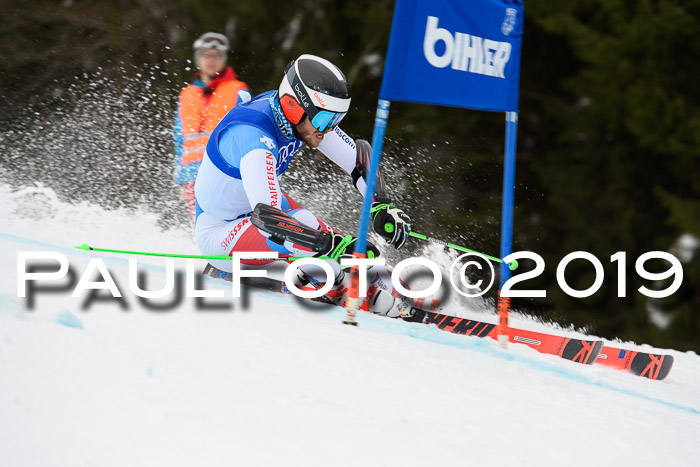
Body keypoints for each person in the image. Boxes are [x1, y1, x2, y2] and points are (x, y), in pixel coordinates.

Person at [195, 54, 413, 317]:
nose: (327, 130)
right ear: (293, 106)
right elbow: (269, 219)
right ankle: (336, 286)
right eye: (324, 120)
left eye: (336, 120)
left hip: (253, 208)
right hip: (220, 230)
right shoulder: (254, 134)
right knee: (317, 243)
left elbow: (359, 156)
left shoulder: (300, 120)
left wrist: (380, 204)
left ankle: (375, 283)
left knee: (347, 251)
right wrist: (332, 245)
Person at [173, 32, 252, 221]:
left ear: (224, 59)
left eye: (216, 56)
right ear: (198, 59)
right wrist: (179, 178)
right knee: (200, 224)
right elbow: (179, 140)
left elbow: (247, 133)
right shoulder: (187, 94)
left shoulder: (238, 90)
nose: (211, 60)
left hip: (223, 172)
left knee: (225, 222)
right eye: (206, 55)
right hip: (191, 175)